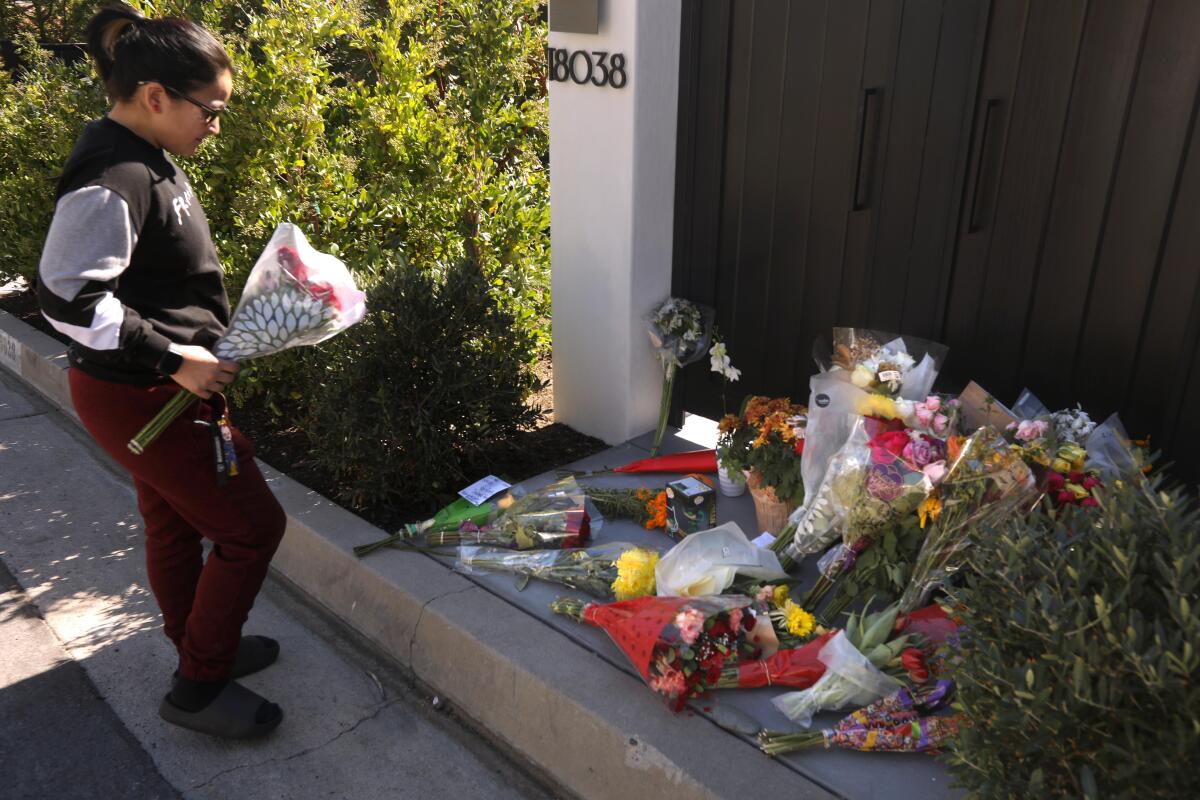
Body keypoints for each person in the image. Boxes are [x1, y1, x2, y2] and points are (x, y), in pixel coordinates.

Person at [36, 3, 287, 739]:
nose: (216, 123)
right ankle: (199, 688)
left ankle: (199, 649)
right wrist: (175, 358)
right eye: (210, 110)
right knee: (251, 529)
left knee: (175, 525)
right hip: (143, 396)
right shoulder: (113, 174)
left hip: (149, 393)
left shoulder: (144, 154)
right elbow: (67, 298)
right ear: (155, 97)